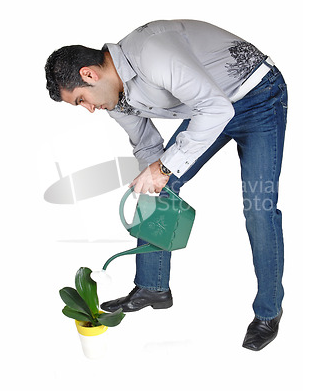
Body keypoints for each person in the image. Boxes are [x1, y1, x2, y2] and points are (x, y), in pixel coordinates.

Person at [45, 19, 287, 351]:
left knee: (259, 210)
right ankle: (152, 286)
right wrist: (154, 182)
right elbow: (147, 147)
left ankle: (268, 312)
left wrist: (163, 168)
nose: (89, 108)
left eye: (81, 100)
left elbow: (216, 109)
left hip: (257, 98)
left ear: (89, 74)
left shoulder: (152, 53)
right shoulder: (113, 97)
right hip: (209, 105)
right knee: (156, 184)